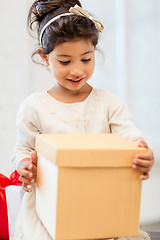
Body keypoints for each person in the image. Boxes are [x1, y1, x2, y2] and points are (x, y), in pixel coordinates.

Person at [11, 0, 154, 239]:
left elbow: (130, 137)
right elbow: (22, 150)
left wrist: (143, 153)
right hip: (49, 210)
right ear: (45, 58)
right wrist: (24, 165)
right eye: (65, 61)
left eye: (86, 59)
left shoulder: (108, 103)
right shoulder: (35, 107)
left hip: (101, 204)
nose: (77, 70)